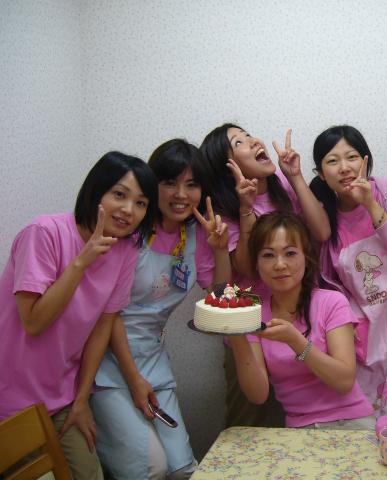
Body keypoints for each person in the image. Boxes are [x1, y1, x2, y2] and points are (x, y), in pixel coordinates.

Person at [0, 152, 157, 480]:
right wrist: (81, 262)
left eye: (141, 203)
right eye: (119, 194)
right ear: (95, 191)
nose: (128, 210)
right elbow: (33, 322)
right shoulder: (44, 232)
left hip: (61, 397)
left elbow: (103, 325)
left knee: (90, 474)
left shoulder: (125, 249)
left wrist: (81, 399)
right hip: (10, 396)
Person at [90, 139, 231, 479]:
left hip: (153, 360)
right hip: (107, 364)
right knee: (151, 468)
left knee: (183, 468)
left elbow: (219, 295)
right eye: (170, 182)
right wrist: (133, 379)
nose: (181, 194)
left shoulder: (196, 235)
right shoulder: (130, 231)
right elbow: (109, 315)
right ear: (153, 185)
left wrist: (220, 249)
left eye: (191, 184)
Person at [200, 124, 330, 427]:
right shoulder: (219, 213)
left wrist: (295, 176)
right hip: (250, 328)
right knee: (248, 420)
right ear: (226, 167)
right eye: (239, 142)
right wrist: (245, 209)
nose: (254, 141)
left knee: (309, 411)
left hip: (299, 318)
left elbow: (322, 232)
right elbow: (247, 269)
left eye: (249, 135)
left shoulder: (281, 184)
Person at [309, 125, 387, 416]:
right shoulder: (325, 216)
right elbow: (326, 284)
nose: (344, 167)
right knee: (364, 430)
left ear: (366, 159)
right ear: (321, 173)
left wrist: (370, 204)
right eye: (332, 161)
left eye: (351, 157)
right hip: (360, 344)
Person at [227, 211, 374, 428]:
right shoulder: (252, 313)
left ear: (306, 257)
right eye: (268, 255)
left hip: (350, 421)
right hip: (299, 428)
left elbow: (344, 381)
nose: (280, 264)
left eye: (290, 253)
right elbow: (258, 395)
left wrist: (296, 341)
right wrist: (236, 335)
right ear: (256, 263)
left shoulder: (332, 302)